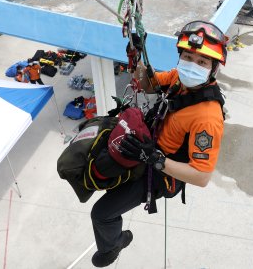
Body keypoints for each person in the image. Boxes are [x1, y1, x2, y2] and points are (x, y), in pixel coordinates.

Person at [89, 21, 227, 267]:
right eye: (188, 56)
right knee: (95, 164)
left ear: (213, 69)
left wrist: (156, 160)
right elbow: (147, 84)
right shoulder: (179, 80)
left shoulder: (207, 118)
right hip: (147, 148)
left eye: (202, 62)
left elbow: (202, 176)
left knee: (102, 213)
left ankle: (112, 247)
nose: (192, 65)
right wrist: (137, 58)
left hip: (161, 173)